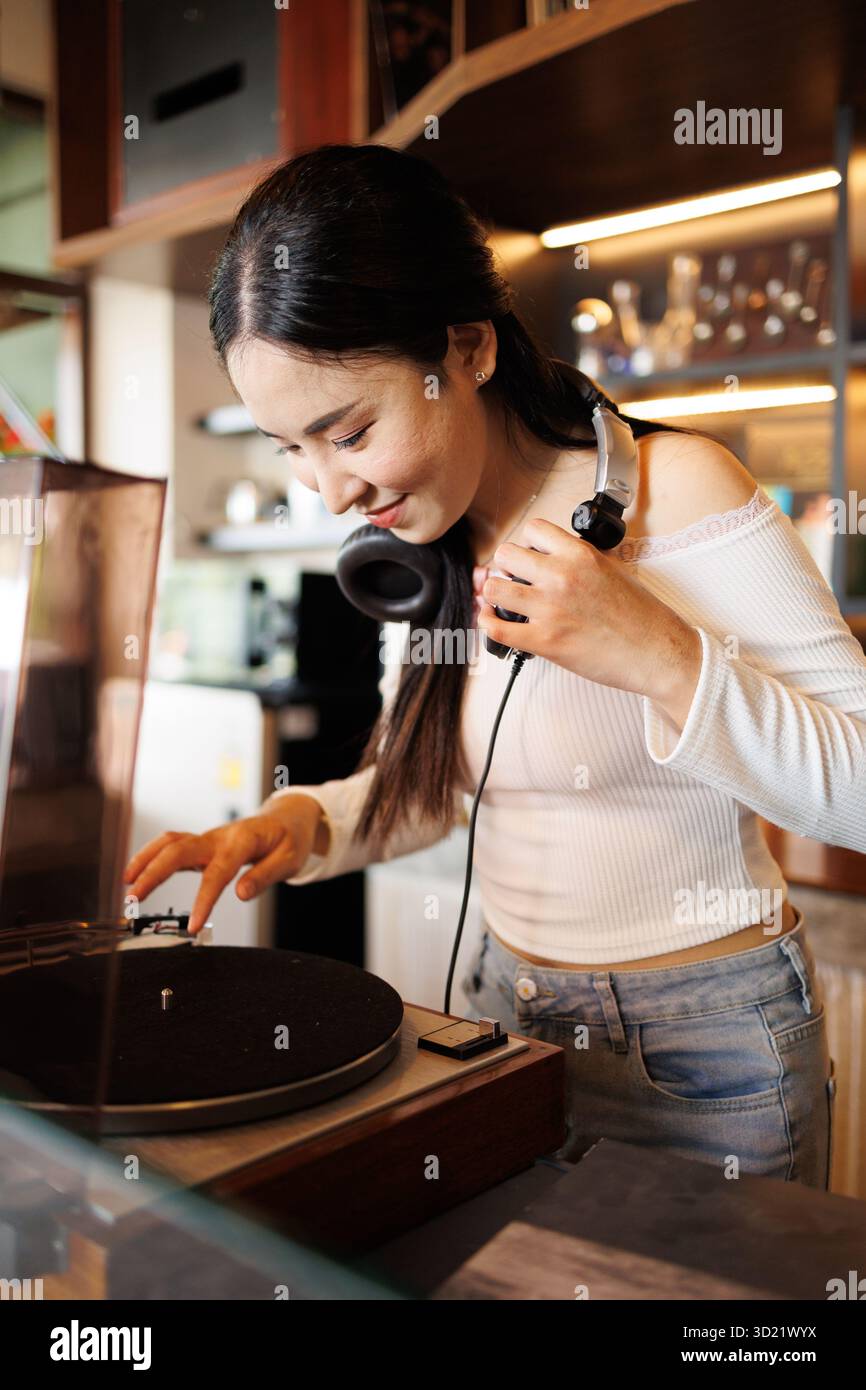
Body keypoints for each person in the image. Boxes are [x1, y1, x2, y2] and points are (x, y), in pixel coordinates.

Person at [125, 144, 866, 1189]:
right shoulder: (421, 543)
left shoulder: (680, 492)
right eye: (291, 447)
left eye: (349, 431)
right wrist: (300, 825)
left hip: (706, 1052)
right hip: (497, 1018)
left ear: (465, 348)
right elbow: (432, 791)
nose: (329, 491)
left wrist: (651, 650)